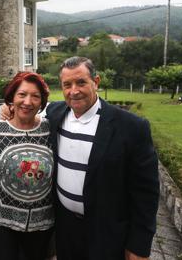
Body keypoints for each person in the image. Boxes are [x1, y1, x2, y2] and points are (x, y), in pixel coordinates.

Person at [49, 56, 159, 260]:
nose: (74, 91)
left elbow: (146, 193)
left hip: (107, 233)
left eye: (81, 82)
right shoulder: (55, 114)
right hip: (65, 229)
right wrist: (8, 109)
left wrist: (139, 246)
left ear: (96, 82)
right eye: (67, 85)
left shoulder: (131, 127)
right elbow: (26, 109)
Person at [0, 72, 54, 260]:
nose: (28, 101)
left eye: (35, 96)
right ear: (12, 98)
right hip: (1, 224)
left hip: (42, 225)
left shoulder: (51, 129)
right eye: (22, 94)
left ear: (42, 102)